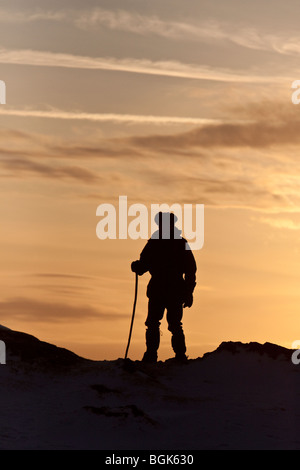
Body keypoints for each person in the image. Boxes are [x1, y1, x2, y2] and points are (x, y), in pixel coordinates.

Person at [131, 212, 197, 363]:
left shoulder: (157, 243)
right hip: (169, 290)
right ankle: (171, 355)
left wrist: (188, 293)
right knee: (166, 323)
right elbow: (190, 271)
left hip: (164, 289)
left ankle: (161, 355)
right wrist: (188, 292)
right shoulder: (176, 243)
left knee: (162, 323)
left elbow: (190, 271)